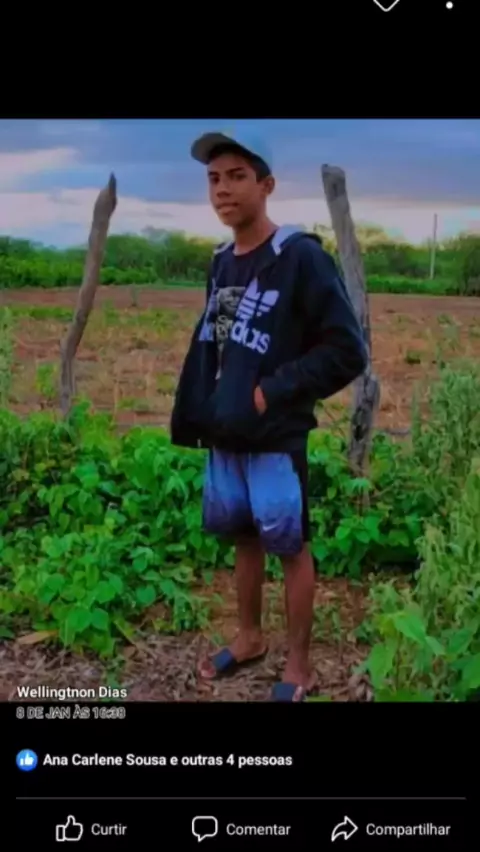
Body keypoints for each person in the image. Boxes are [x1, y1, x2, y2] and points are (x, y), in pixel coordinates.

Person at [170, 130, 367, 701]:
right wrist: (209, 406)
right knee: (243, 536)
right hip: (226, 431)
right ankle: (250, 637)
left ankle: (299, 666)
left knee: (289, 545)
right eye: (213, 178)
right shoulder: (220, 262)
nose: (222, 189)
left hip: (276, 437)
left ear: (267, 185)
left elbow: (346, 350)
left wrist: (271, 392)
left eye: (237, 176)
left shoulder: (299, 257)